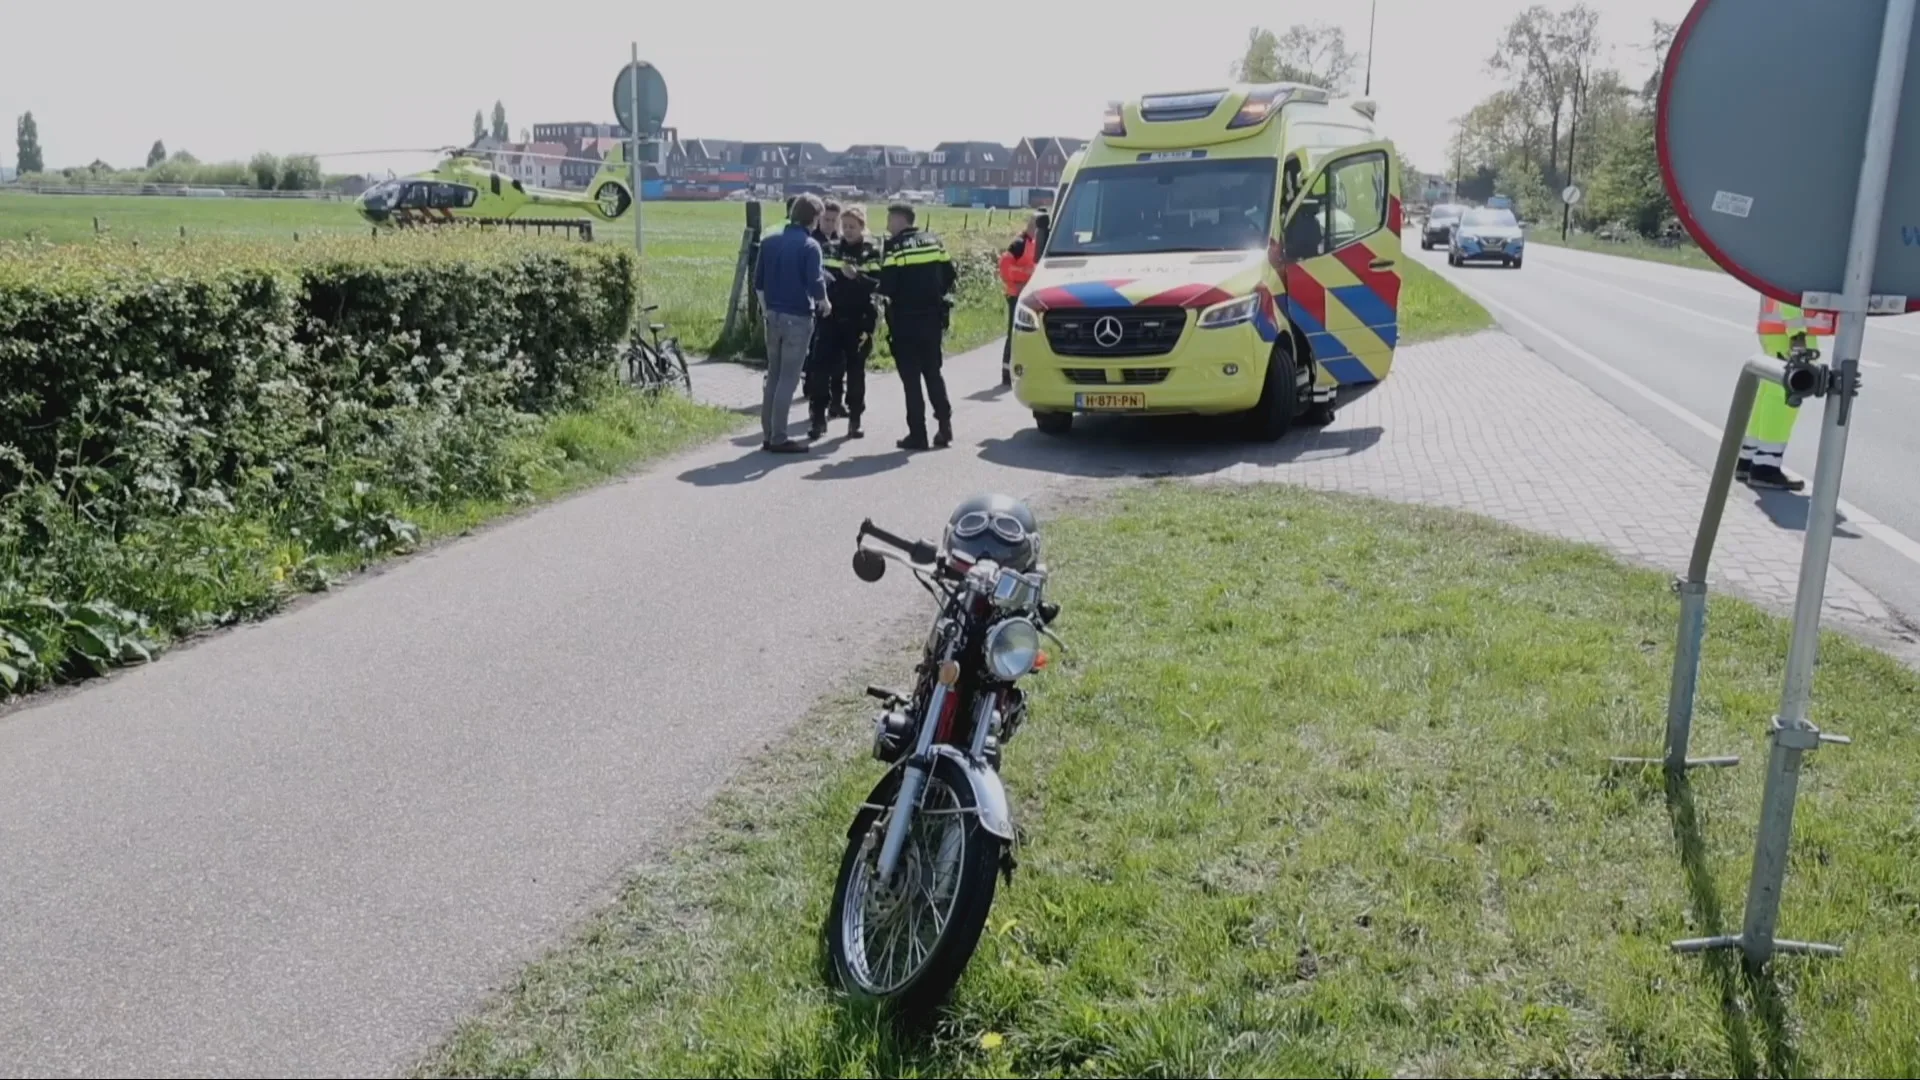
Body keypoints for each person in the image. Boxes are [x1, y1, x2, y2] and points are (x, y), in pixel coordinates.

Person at [753, 193, 830, 453]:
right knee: (789, 378)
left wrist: (766, 311)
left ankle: (768, 433)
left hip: (772, 315)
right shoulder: (810, 246)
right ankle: (779, 437)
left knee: (773, 376)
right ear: (815, 218)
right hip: (797, 316)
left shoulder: (770, 241)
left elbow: (758, 283)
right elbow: (815, 282)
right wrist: (824, 302)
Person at [878, 202, 958, 451]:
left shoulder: (894, 248)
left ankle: (918, 434)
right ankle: (945, 427)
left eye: (889, 220)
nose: (887, 225)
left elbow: (887, 287)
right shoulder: (934, 241)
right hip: (932, 319)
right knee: (933, 373)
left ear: (900, 220)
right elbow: (950, 276)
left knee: (911, 380)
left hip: (905, 321)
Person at [1739, 295, 1834, 490]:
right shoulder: (1797, 265)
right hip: (1788, 334)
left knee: (1768, 393)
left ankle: (1749, 459)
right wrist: (1797, 335)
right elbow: (1787, 293)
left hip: (1777, 330)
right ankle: (1765, 467)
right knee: (1784, 399)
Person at [806, 204, 884, 440]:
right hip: (831, 317)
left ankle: (855, 419)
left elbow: (879, 283)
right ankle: (818, 418)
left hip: (859, 319)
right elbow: (819, 276)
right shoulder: (830, 249)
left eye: (852, 226)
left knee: (855, 370)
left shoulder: (870, 251)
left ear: (862, 227)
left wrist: (858, 277)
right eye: (845, 226)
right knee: (820, 367)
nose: (847, 230)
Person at [997, 212, 1045, 387]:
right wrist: (1021, 278)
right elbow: (1004, 266)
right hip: (1016, 294)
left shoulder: (1035, 244)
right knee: (1014, 333)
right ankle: (1006, 373)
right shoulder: (1019, 244)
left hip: (1030, 294)